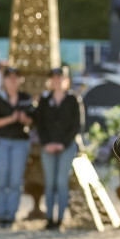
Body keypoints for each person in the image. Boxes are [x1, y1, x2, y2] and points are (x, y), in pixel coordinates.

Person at [32, 65, 83, 230]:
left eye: (60, 78)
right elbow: (39, 125)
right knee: (50, 183)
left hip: (66, 146)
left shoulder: (73, 100)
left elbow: (77, 125)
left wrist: (62, 143)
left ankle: (60, 218)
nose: (57, 81)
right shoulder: (45, 101)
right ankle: (49, 218)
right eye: (54, 78)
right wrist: (48, 143)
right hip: (48, 147)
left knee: (61, 182)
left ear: (66, 80)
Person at [0, 65, 33, 229]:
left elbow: (32, 120)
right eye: (10, 78)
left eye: (15, 78)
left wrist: (23, 119)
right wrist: (12, 118)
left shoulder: (25, 98)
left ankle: (11, 216)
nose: (13, 81)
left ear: (19, 80)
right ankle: (1, 216)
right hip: (2, 141)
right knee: (1, 181)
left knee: (15, 181)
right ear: (4, 80)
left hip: (20, 142)